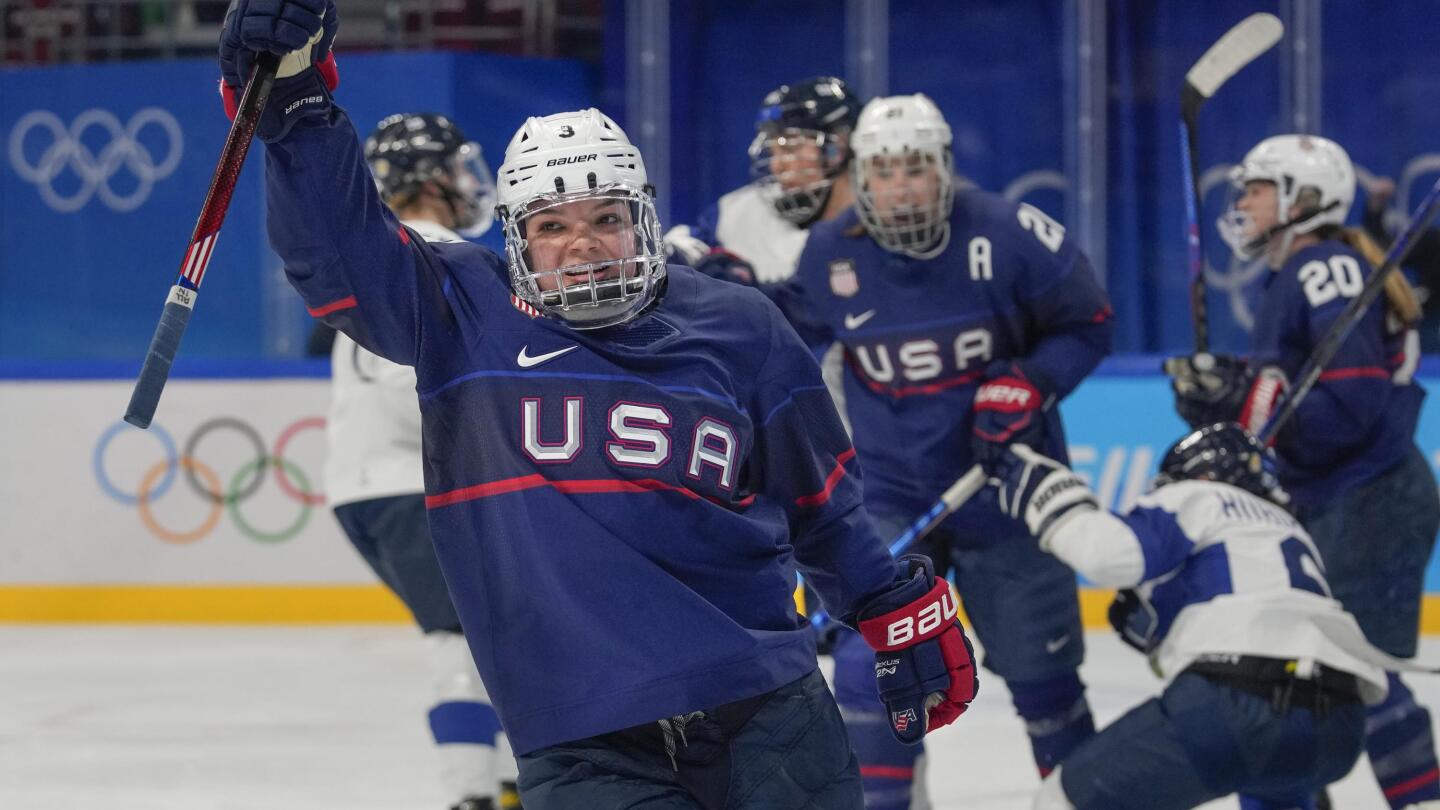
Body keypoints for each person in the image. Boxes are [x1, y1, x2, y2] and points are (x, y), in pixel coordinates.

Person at [217, 3, 978, 808]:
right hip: (586, 739)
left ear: (642, 217)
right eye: (553, 224)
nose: (583, 242)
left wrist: (890, 601)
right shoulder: (458, 311)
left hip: (772, 712)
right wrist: (297, 108)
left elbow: (820, 504)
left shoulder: (738, 323)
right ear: (514, 235)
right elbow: (337, 256)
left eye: (606, 217)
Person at [778, 93, 1113, 808]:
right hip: (893, 492)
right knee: (872, 676)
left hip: (1006, 492)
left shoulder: (1013, 233)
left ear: (945, 171)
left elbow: (1088, 324)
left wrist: (1029, 380)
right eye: (885, 171)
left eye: (916, 169)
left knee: (1045, 683)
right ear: (860, 177)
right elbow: (790, 340)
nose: (901, 187)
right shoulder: (830, 250)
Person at [1168, 134, 1440, 809]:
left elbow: (1349, 405)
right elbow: (1291, 392)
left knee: (1355, 674)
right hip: (1348, 499)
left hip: (1368, 500)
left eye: (1258, 190)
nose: (1244, 204)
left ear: (1304, 199)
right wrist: (1229, 391)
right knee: (1318, 672)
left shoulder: (1323, 266)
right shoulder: (1307, 269)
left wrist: (1243, 405)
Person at [985, 423, 1385, 810]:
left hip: (1233, 705)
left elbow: (1107, 555)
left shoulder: (1201, 496)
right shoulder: (1292, 531)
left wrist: (1046, 491)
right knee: (1272, 789)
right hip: (1338, 727)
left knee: (1062, 799)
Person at [323, 111, 515, 810]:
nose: (467, 183)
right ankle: (471, 793)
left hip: (364, 487)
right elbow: (418, 389)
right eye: (456, 168)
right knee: (460, 635)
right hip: (414, 482)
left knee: (488, 628)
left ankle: (504, 781)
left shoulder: (382, 253)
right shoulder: (440, 254)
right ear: (429, 179)